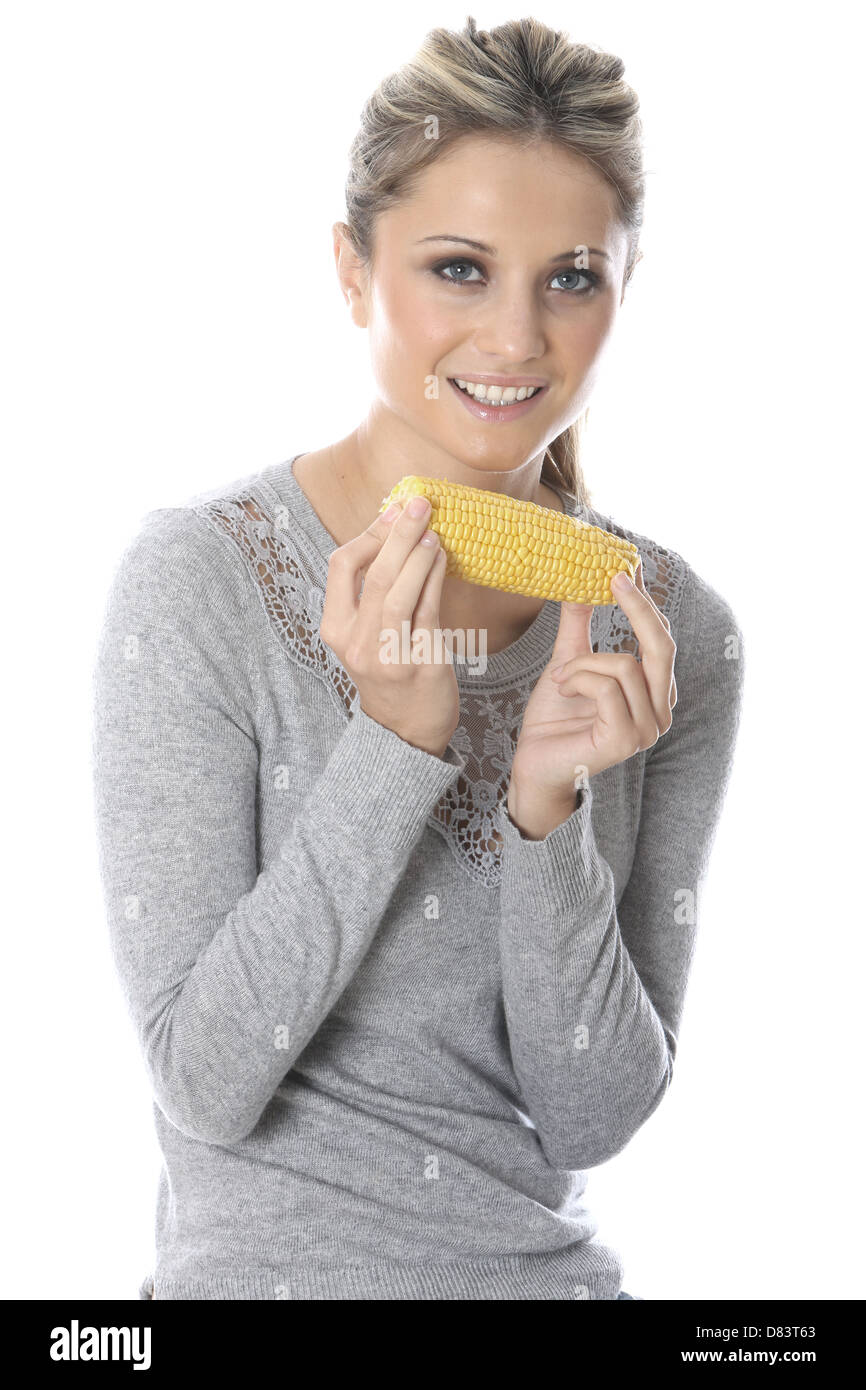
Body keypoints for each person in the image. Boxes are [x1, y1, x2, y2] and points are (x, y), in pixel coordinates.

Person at [92, 15, 744, 1302]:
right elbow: (206, 1082)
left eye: (569, 276)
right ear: (351, 271)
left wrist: (547, 808)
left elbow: (592, 1118)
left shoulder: (675, 634)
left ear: (624, 287)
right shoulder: (197, 583)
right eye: (457, 268)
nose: (514, 340)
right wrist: (393, 746)